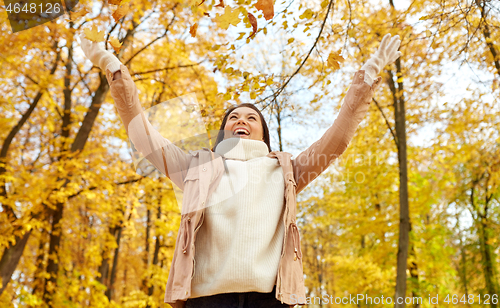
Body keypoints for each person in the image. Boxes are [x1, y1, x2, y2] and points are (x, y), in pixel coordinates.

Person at [80, 32, 401, 308]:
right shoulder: (195, 168)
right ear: (224, 132)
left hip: (270, 299)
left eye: (250, 118)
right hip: (205, 300)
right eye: (233, 118)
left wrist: (368, 77)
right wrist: (113, 68)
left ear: (263, 132)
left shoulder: (286, 172)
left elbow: (337, 138)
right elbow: (141, 134)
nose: (241, 121)